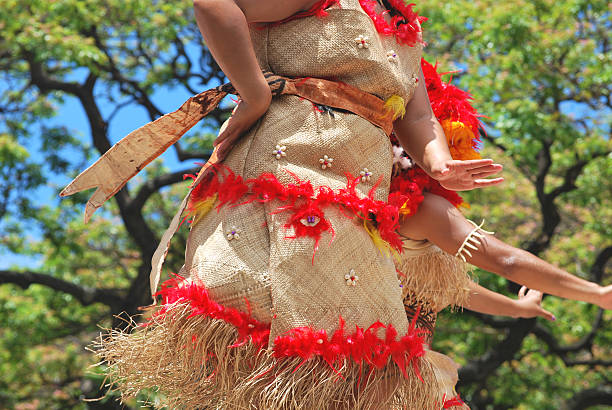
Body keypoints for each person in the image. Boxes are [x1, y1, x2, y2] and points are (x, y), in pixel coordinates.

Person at [60, 1, 611, 409]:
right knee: (272, 319)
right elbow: (214, 3)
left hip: (358, 189)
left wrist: (439, 162)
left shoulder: (399, 25)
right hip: (294, 164)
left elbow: (415, 116)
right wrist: (252, 92)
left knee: (351, 359)